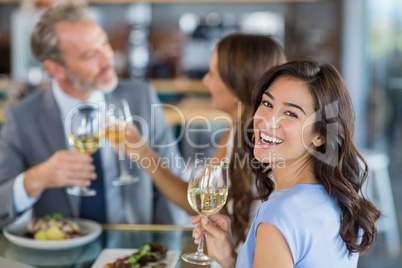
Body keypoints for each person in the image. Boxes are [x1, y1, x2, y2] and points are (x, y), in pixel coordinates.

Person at [0, 2, 189, 227]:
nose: (107, 59)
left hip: (133, 250)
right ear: (55, 69)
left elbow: (175, 192)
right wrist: (35, 179)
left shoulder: (141, 97)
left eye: (105, 44)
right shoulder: (21, 117)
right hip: (62, 253)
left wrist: (166, 250)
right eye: (90, 55)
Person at [191, 60, 380, 267]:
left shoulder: (279, 215)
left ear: (320, 135)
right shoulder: (337, 201)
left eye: (290, 113)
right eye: (267, 103)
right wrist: (230, 259)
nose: (268, 120)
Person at [122, 33, 286, 247]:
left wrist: (143, 154)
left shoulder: (264, 145)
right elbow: (201, 200)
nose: (205, 80)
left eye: (212, 73)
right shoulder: (236, 129)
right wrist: (142, 153)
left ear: (236, 83)